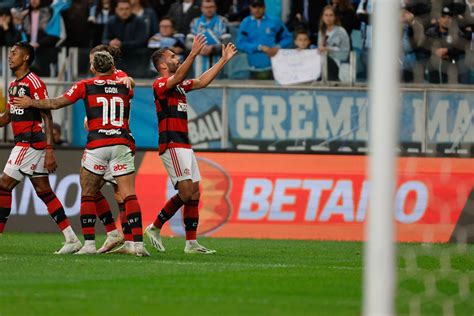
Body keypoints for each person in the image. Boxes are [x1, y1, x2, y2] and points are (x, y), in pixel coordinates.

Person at [14, 50, 150, 257]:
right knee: (128, 194)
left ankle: (88, 244)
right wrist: (127, 78)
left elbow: (56, 103)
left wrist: (30, 102)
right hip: (121, 142)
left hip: (97, 145)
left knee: (88, 192)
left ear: (93, 68)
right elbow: (127, 82)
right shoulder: (124, 85)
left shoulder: (84, 86)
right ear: (113, 67)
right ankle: (137, 244)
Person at [144, 34, 237, 254]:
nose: (177, 58)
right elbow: (178, 78)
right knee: (185, 193)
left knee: (194, 193)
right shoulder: (160, 84)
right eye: (173, 56)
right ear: (162, 64)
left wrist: (223, 60)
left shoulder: (179, 87)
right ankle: (155, 227)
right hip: (172, 144)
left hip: (184, 144)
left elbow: (202, 81)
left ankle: (191, 243)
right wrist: (193, 53)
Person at [0, 41, 81, 254]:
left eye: (14, 53)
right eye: (10, 53)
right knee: (44, 191)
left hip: (30, 142)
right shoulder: (13, 85)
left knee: (3, 186)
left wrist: (49, 149)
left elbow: (47, 115)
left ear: (26, 57)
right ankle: (71, 238)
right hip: (26, 143)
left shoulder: (34, 82)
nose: (10, 56)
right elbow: (8, 116)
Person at [236, 0, 292, 79]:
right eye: (254, 6)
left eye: (260, 6)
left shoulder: (275, 21)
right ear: (250, 8)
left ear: (264, 7)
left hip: (273, 68)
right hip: (252, 68)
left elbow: (288, 38)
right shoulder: (246, 23)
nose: (257, 9)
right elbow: (240, 44)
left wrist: (278, 47)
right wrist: (259, 47)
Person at [187, 0, 230, 76]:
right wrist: (199, 49)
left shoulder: (222, 21)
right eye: (206, 7)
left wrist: (213, 48)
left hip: (217, 60)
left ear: (215, 8)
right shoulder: (195, 22)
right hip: (199, 62)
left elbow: (227, 42)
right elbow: (188, 42)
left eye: (211, 7)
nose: (209, 9)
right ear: (202, 8)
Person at [317, 5, 350, 81]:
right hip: (322, 63)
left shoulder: (341, 31)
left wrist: (329, 50)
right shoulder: (321, 32)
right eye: (326, 15)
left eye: (331, 15)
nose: (328, 18)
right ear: (322, 17)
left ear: (335, 17)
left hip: (337, 64)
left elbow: (345, 54)